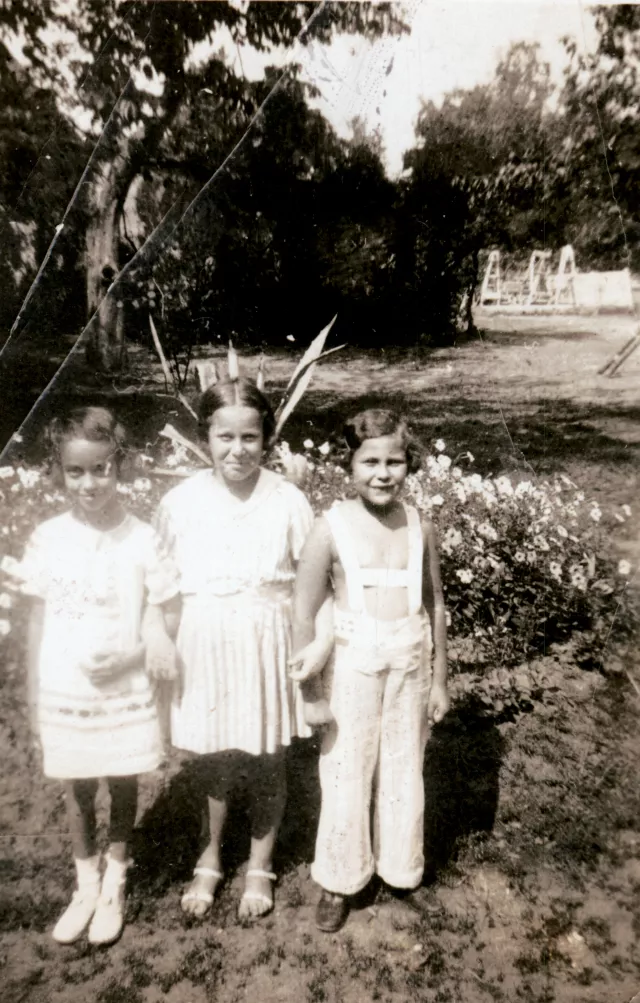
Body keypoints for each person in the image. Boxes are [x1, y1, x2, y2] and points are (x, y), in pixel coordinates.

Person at [155, 378, 331, 921]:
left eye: (250, 438)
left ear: (267, 438)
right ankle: (209, 857)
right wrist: (161, 638)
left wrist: (318, 644)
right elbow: (162, 583)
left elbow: (316, 582)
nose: (237, 450)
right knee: (215, 757)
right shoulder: (180, 502)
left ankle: (260, 862)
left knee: (267, 756)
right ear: (204, 437)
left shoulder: (288, 500)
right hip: (205, 640)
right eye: (224, 437)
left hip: (266, 641)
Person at [17, 407, 178, 946]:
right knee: (78, 786)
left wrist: (136, 655)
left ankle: (116, 881)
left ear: (120, 467)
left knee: (123, 779)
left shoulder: (140, 539)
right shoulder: (47, 538)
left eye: (101, 470)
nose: (89, 483)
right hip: (67, 684)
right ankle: (85, 885)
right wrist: (36, 691)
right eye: (76, 472)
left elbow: (167, 606)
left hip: (123, 680)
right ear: (59, 472)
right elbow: (38, 618)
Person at [289, 408, 449, 933]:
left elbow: (435, 604)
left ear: (410, 465)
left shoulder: (419, 526)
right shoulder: (329, 528)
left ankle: (399, 870)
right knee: (346, 768)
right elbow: (303, 612)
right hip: (352, 660)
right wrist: (311, 692)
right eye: (370, 462)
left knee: (405, 763)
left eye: (395, 462)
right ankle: (340, 877)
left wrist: (441, 677)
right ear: (348, 465)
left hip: (409, 655)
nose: (383, 474)